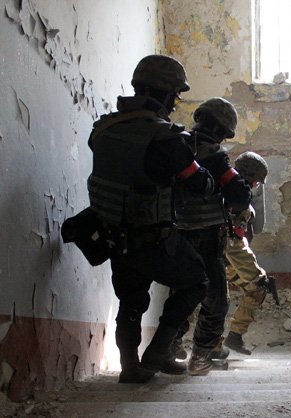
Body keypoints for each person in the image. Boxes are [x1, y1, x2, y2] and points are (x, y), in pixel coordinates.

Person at [86, 54, 214, 383]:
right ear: (167, 94)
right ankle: (160, 350)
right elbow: (200, 184)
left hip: (113, 237)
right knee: (196, 280)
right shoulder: (166, 139)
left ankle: (129, 366)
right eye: (176, 96)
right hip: (154, 238)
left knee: (130, 301)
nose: (175, 103)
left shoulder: (103, 129)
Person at [173, 97, 252, 375]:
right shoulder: (214, 155)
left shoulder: (176, 144)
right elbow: (239, 196)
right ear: (219, 129)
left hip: (174, 234)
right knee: (216, 298)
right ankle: (200, 357)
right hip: (206, 235)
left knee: (181, 293)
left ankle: (168, 346)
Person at [223, 151, 273, 355]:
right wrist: (257, 275)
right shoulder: (237, 201)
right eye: (256, 182)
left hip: (223, 261)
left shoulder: (227, 191)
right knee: (217, 301)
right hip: (221, 260)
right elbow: (233, 245)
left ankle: (233, 337)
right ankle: (209, 349)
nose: (255, 186)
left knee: (219, 300)